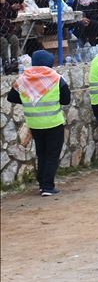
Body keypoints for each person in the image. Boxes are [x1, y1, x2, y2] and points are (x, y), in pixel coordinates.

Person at [7, 50, 71, 196]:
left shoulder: (23, 79)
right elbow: (66, 100)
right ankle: (48, 187)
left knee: (41, 154)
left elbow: (11, 97)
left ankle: (42, 184)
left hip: (34, 123)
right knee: (52, 155)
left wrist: (28, 99)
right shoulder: (56, 78)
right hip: (53, 122)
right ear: (49, 63)